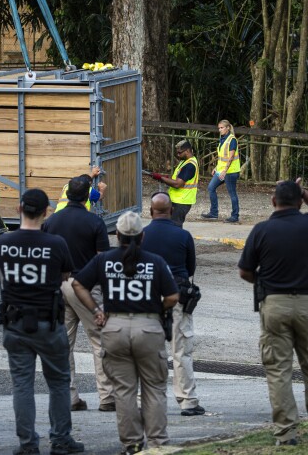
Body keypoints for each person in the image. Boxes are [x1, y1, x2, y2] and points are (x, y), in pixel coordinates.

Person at [238, 179, 308, 446]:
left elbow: (245, 271)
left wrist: (264, 282)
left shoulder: (262, 230)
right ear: (299, 202)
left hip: (273, 304)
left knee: (279, 370)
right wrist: (304, 193)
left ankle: (286, 433)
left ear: (273, 202)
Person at [72, 211, 179, 455]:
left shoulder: (104, 261)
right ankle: (158, 444)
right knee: (154, 389)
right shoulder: (155, 261)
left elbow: (78, 284)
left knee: (124, 391)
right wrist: (155, 308)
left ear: (117, 235)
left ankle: (131, 444)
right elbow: (172, 296)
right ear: (142, 237)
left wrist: (96, 310)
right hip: (149, 328)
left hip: (114, 329)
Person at [0, 188, 84, 455]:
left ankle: (27, 444)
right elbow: (65, 274)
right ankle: (60, 439)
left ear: (20, 209)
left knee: (22, 384)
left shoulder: (3, 243)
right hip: (48, 321)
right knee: (58, 382)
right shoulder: (56, 244)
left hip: (16, 322)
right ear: (46, 212)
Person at [42, 177, 115, 412]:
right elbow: (102, 259)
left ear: (68, 194)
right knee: (99, 340)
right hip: (86, 286)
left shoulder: (52, 222)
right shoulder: (94, 222)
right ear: (87, 197)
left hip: (59, 284)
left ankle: (70, 396)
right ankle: (106, 397)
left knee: (64, 343)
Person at [140, 192, 204, 416]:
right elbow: (191, 269)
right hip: (177, 295)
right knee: (181, 350)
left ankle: (145, 400)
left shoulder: (141, 235)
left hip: (147, 297)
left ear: (150, 211)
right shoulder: (183, 235)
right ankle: (187, 400)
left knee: (148, 351)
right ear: (171, 211)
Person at [148, 140, 198, 227]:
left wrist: (161, 178)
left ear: (187, 151)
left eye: (179, 153)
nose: (178, 155)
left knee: (175, 226)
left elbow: (177, 184)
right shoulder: (185, 161)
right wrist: (166, 178)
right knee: (172, 226)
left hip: (181, 202)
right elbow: (177, 178)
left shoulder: (189, 165)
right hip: (179, 200)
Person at [201, 120, 241, 223]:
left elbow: (231, 157)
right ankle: (214, 213)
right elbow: (222, 157)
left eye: (222, 128)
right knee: (211, 188)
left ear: (228, 128)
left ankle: (235, 216)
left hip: (230, 172)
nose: (220, 130)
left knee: (232, 193)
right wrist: (217, 168)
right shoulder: (223, 139)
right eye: (219, 128)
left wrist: (225, 170)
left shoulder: (232, 140)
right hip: (222, 170)